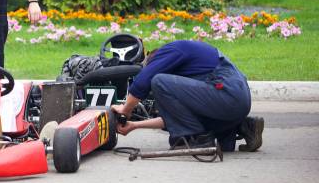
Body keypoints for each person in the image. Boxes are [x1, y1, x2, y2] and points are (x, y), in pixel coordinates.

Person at [111, 40, 264, 152]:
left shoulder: (170, 50)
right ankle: (244, 127)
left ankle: (196, 138)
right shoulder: (192, 73)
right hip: (234, 102)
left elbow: (142, 83)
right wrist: (135, 125)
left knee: (159, 82)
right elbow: (176, 119)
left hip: (227, 93)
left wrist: (125, 110)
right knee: (186, 122)